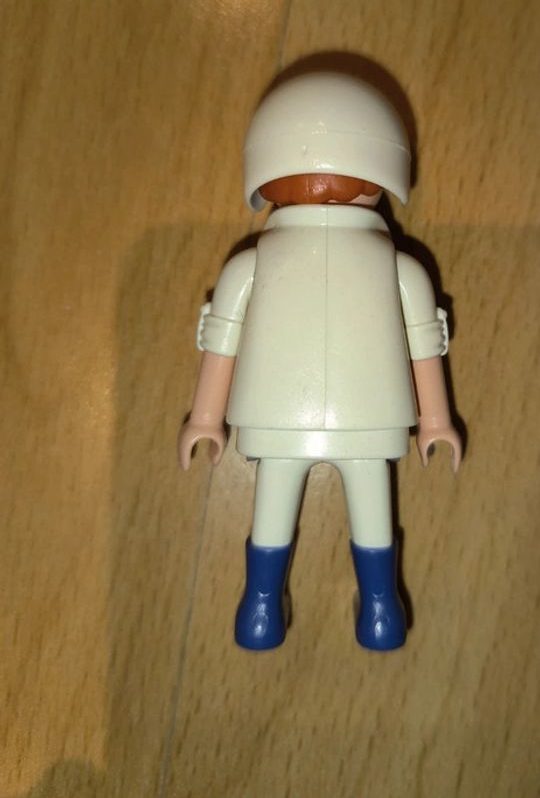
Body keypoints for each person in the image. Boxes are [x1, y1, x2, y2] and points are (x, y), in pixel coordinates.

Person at [178, 71, 462, 651]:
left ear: (266, 176)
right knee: (372, 514)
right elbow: (424, 344)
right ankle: (380, 612)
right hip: (370, 416)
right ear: (382, 173)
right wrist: (435, 420)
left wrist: (206, 418)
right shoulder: (400, 269)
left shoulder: (250, 265)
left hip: (278, 417)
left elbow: (221, 341)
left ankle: (260, 611)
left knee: (272, 514)